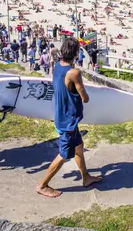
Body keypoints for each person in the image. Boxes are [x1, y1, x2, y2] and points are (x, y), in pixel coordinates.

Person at [36, 37, 102, 198]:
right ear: (76, 52)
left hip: (63, 115)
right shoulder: (74, 73)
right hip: (68, 120)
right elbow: (84, 97)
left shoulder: (57, 66)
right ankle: (42, 185)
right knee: (64, 155)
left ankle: (85, 177)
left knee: (79, 147)